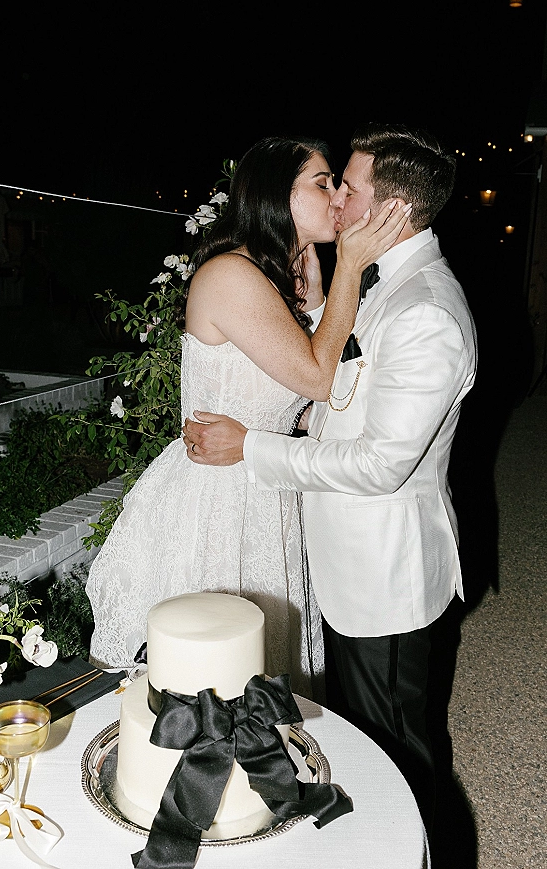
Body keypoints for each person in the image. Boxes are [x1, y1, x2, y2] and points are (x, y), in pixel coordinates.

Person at [182, 122, 478, 829]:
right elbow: (342, 382)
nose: (339, 196)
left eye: (348, 185)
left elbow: (378, 464)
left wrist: (252, 448)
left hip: (384, 572)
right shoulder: (385, 284)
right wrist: (321, 303)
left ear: (393, 210)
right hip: (343, 557)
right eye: (330, 182)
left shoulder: (427, 312)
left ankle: (414, 848)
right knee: (365, 736)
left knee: (398, 749)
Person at [85, 135, 409, 701]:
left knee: (268, 672)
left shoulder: (300, 265)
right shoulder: (230, 275)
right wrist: (351, 269)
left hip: (270, 482)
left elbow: (310, 397)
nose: (337, 196)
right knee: (209, 677)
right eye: (323, 182)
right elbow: (315, 375)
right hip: (218, 498)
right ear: (276, 196)